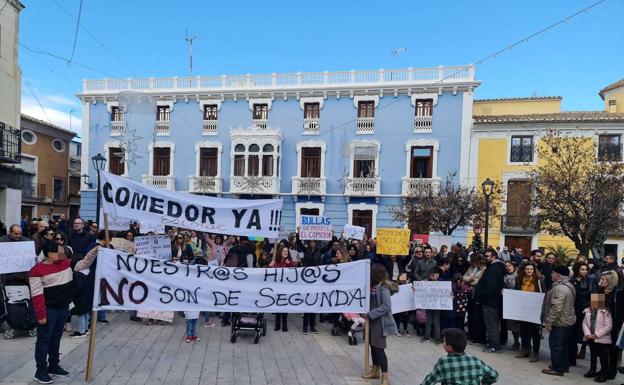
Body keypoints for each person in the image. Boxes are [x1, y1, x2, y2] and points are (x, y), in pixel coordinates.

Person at [29, 242, 74, 384]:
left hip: (63, 308)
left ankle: (53, 365)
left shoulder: (66, 263)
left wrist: (95, 252)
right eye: (60, 251)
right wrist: (41, 314)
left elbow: (83, 263)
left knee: (56, 338)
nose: (64, 254)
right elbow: (37, 295)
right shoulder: (36, 270)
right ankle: (40, 371)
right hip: (49, 310)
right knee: (44, 340)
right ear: (50, 254)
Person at [420, 328, 499, 385]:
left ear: (449, 348)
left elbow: (427, 382)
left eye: (444, 342)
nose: (443, 344)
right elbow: (494, 375)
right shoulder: (476, 361)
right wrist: (484, 383)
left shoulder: (443, 363)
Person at [361, 263, 398, 385]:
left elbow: (386, 306)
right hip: (371, 321)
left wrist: (371, 314)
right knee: (372, 346)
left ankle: (385, 375)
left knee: (379, 348)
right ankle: (375, 370)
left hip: (380, 322)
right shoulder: (373, 285)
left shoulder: (383, 287)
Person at [541, 265, 576, 377]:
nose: (551, 274)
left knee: (556, 345)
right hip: (568, 320)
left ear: (558, 275)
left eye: (553, 273)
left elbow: (556, 308)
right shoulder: (569, 285)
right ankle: (564, 365)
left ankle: (557, 368)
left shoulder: (559, 289)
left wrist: (549, 321)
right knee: (564, 345)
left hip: (560, 322)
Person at [474, 250, 505, 353]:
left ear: (493, 257)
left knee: (491, 324)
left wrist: (480, 296)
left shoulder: (493, 269)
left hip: (490, 302)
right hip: (493, 301)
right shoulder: (496, 268)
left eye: (487, 256)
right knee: (492, 324)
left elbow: (489, 287)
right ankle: (493, 343)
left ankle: (494, 345)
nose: (484, 258)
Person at [514, 262, 544, 362]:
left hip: (535, 310)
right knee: (524, 330)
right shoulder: (518, 280)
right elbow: (516, 292)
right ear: (523, 270)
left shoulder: (539, 281)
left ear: (534, 270)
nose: (529, 271)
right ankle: (525, 349)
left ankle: (535, 352)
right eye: (527, 269)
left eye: (531, 269)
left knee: (535, 332)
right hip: (523, 309)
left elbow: (543, 293)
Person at [582, 293, 612, 382]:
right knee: (593, 355)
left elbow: (608, 326)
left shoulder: (605, 312)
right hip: (591, 338)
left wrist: (596, 335)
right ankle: (592, 370)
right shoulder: (588, 311)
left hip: (600, 338)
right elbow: (584, 323)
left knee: (603, 357)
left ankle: (604, 374)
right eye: (592, 301)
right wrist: (587, 334)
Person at [570, 261, 592, 360]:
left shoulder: (590, 280)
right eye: (582, 269)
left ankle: (583, 348)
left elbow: (594, 294)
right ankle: (573, 351)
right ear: (577, 270)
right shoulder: (573, 280)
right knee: (574, 330)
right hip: (575, 308)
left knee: (586, 329)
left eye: (585, 270)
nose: (584, 271)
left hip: (587, 308)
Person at [270, 245, 294, 332]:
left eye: (287, 251)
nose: (285, 253)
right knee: (277, 306)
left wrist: (289, 264)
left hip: (286, 287)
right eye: (284, 251)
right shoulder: (276, 261)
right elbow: (270, 273)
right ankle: (277, 324)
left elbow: (293, 273)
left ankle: (284, 324)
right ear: (280, 252)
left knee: (284, 306)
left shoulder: (290, 261)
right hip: (277, 287)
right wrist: (270, 266)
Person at [421, 267, 443, 345]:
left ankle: (437, 338)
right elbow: (420, 288)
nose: (433, 276)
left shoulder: (442, 284)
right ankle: (427, 337)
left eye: (435, 274)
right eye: (432, 275)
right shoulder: (426, 283)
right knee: (428, 321)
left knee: (436, 322)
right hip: (429, 305)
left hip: (437, 306)